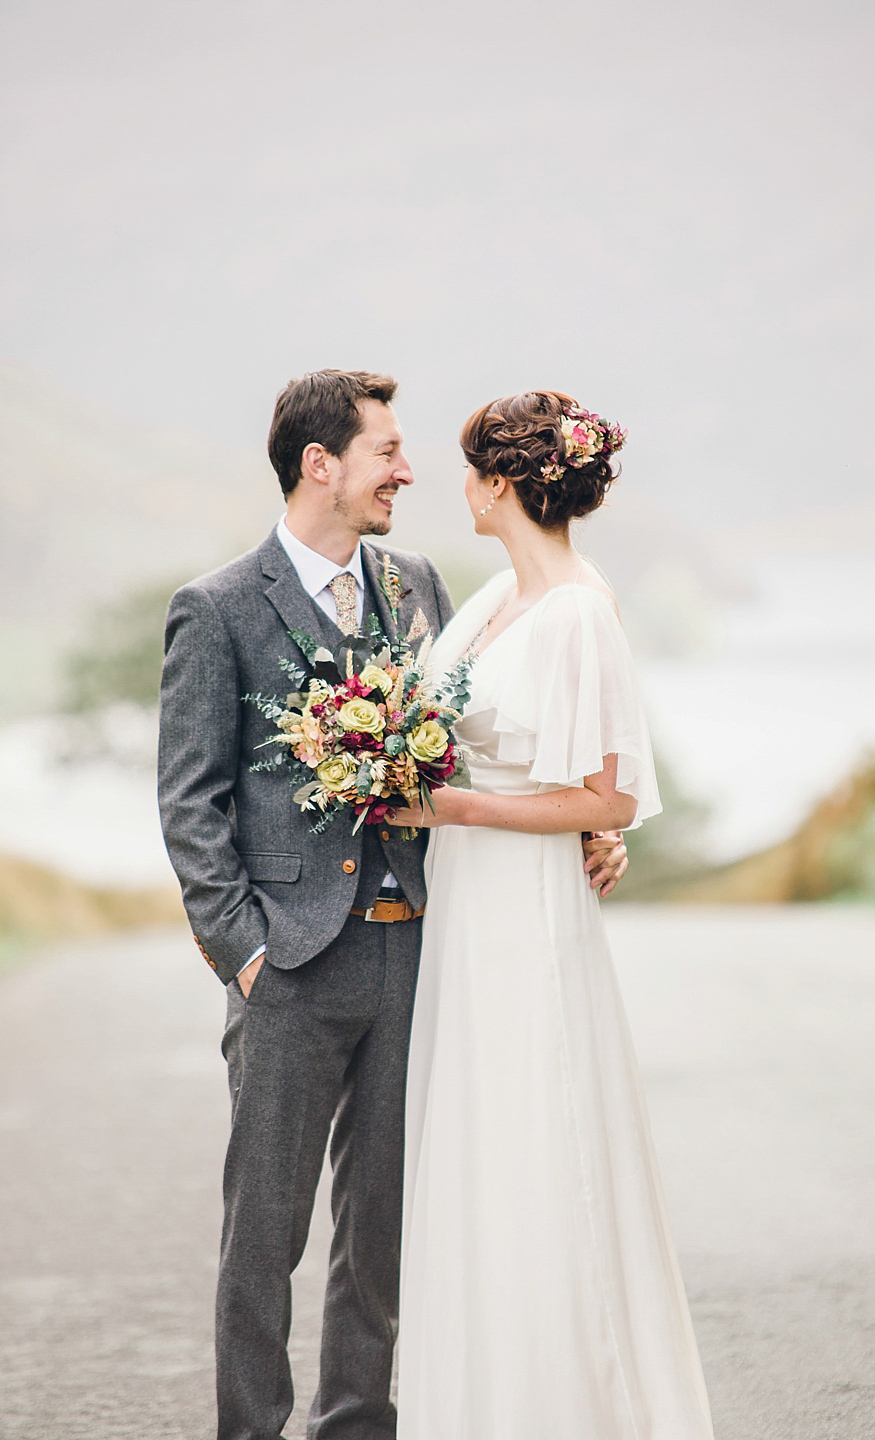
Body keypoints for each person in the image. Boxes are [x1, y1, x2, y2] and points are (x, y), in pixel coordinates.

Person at [156, 369, 630, 1440]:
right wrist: (242, 953)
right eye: (387, 452)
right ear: (320, 464)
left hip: (417, 955)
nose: (407, 471)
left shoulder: (415, 582)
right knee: (263, 1235)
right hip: (289, 965)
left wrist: (592, 823)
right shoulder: (219, 606)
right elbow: (191, 803)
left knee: (382, 1241)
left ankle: (357, 1428)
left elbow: (477, 735)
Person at [389, 390, 714, 1439]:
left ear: (502, 482)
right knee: (478, 1148)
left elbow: (606, 796)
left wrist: (454, 805)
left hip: (525, 911)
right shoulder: (493, 601)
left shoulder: (580, 606)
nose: (463, 489)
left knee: (540, 1139)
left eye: (470, 470)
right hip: (467, 907)